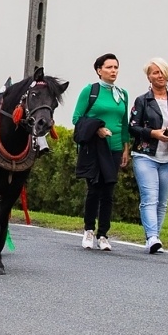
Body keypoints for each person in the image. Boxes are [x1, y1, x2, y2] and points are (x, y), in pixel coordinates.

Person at [129, 57, 168, 255]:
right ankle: (152, 237)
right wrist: (153, 133)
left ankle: (156, 235)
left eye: (162, 71)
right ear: (149, 76)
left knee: (162, 201)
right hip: (145, 155)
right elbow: (133, 127)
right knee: (149, 197)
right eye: (155, 72)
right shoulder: (142, 100)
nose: (159, 75)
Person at [71, 53, 130, 252]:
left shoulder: (122, 94)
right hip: (94, 148)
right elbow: (77, 118)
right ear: (99, 70)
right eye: (109, 67)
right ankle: (88, 229)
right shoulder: (90, 91)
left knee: (108, 192)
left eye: (116, 67)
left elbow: (124, 123)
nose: (113, 71)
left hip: (113, 149)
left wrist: (125, 148)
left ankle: (103, 234)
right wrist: (97, 129)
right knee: (94, 189)